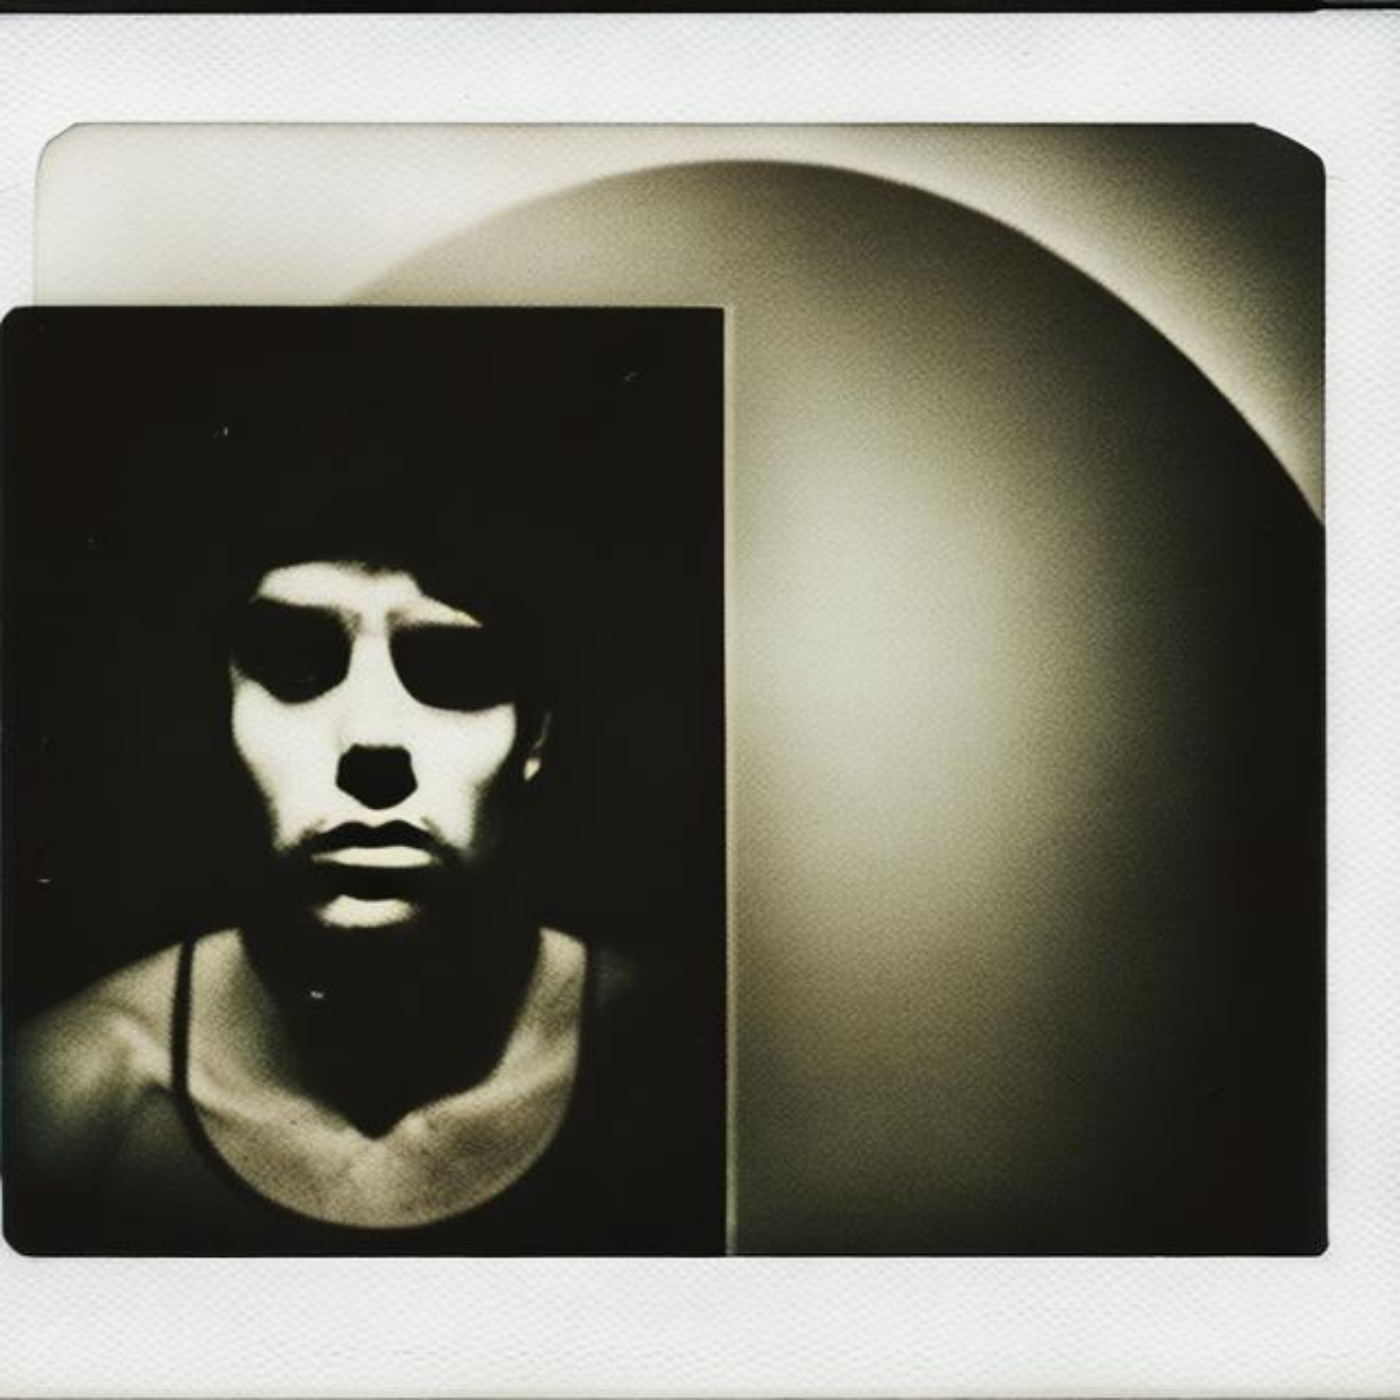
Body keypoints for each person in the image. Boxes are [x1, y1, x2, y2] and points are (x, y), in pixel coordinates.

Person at [4, 370, 725, 1256]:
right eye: (296, 664)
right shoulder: (62, 1108)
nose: (372, 740)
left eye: (454, 669)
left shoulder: (702, 1080)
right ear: (215, 713)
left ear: (537, 735)